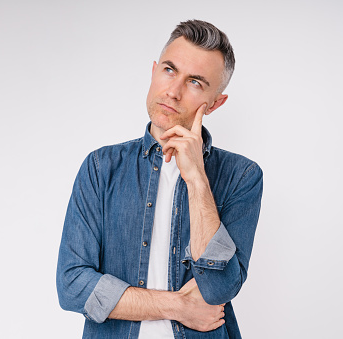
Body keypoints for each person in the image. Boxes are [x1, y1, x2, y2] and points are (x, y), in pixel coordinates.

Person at [56, 19, 263, 339]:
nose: (174, 91)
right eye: (169, 69)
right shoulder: (101, 167)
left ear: (215, 103)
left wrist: (196, 180)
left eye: (195, 82)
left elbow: (219, 288)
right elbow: (72, 286)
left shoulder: (242, 176)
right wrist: (177, 306)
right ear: (154, 71)